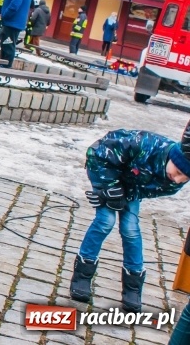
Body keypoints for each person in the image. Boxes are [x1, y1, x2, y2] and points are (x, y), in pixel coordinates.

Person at [70, 123, 190, 313]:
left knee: (130, 229)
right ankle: (82, 275)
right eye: (179, 173)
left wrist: (124, 195)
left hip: (130, 187)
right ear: (173, 158)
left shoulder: (173, 183)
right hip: (107, 173)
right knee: (105, 221)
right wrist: (106, 189)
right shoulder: (143, 145)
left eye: (185, 179)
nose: (178, 180)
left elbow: (146, 190)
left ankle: (132, 287)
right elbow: (97, 154)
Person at [0, 0, 33, 68]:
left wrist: (5, 15)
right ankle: (3, 64)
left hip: (12, 21)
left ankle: (5, 66)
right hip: (15, 21)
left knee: (8, 44)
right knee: (7, 43)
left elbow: (15, 5)